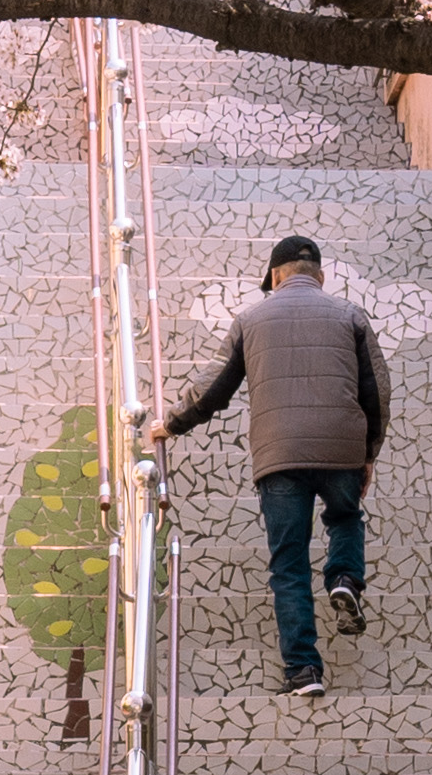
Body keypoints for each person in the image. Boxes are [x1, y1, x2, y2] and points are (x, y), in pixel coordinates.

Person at [165, 232, 389, 701]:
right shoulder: (351, 315)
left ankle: (304, 671)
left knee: (288, 564)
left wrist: (172, 423)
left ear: (274, 276)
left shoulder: (250, 319)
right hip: (341, 446)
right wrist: (368, 453)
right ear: (320, 277)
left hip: (279, 454)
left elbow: (214, 388)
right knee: (345, 516)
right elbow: (376, 391)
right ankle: (344, 578)